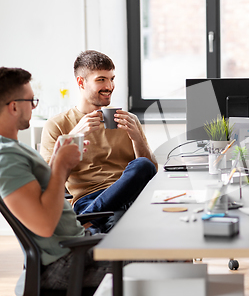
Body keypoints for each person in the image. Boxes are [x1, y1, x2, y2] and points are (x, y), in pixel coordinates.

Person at [0, 67, 111, 291]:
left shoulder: (17, 149)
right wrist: (60, 166)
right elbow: (43, 226)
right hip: (66, 262)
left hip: (79, 246)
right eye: (31, 101)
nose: (34, 106)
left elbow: (41, 194)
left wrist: (56, 163)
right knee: (166, 257)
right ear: (14, 106)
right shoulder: (7, 159)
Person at [40, 50, 158, 233]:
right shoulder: (57, 125)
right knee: (119, 221)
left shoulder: (127, 120)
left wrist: (136, 137)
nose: (109, 86)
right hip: (88, 198)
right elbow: (49, 181)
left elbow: (151, 171)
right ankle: (92, 221)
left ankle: (86, 221)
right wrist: (74, 135)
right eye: (101, 79)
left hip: (128, 193)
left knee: (142, 165)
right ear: (81, 82)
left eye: (112, 78)